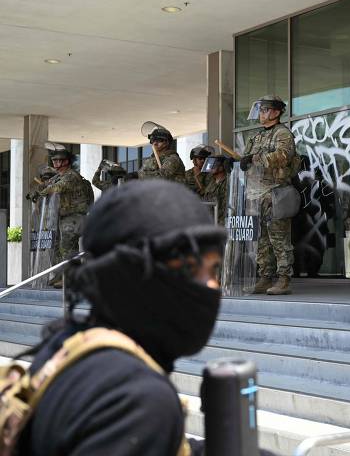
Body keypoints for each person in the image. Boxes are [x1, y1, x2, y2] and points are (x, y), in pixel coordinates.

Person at [16, 180, 227, 456]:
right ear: (130, 275)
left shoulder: (70, 346)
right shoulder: (138, 400)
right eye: (189, 269)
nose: (212, 286)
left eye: (214, 269)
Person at [239, 95, 297, 295]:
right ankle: (265, 277)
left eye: (265, 110)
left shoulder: (283, 133)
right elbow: (246, 160)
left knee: (279, 239)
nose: (261, 114)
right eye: (260, 110)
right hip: (255, 194)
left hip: (275, 193)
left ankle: (284, 279)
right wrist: (238, 162)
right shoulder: (255, 137)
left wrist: (255, 158)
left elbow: (283, 156)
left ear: (277, 112)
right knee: (261, 240)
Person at [33, 144, 93, 284]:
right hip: (62, 217)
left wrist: (44, 190)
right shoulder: (58, 176)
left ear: (66, 161)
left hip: (74, 217)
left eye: (58, 160)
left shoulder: (71, 176)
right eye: (54, 160)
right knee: (56, 246)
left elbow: (57, 187)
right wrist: (39, 190)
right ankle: (60, 274)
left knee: (67, 248)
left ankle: (71, 278)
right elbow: (47, 184)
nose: (55, 163)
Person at [202, 154, 231, 226]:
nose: (210, 167)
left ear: (222, 167)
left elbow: (226, 207)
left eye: (214, 164)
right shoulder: (211, 182)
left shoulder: (228, 182)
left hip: (222, 223)